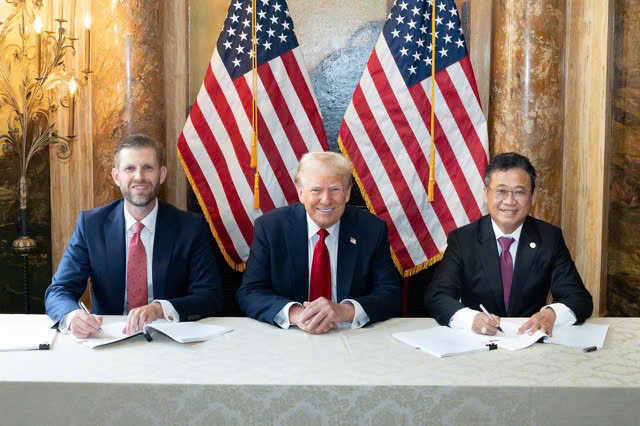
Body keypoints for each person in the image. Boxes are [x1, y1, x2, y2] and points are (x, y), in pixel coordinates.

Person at [45, 134, 223, 338]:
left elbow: (211, 297)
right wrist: (71, 316)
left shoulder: (190, 227)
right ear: (116, 176)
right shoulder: (91, 226)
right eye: (130, 168)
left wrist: (160, 309)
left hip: (167, 340)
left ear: (162, 174)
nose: (139, 176)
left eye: (148, 167)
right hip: (108, 339)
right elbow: (58, 291)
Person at [425, 152, 593, 336]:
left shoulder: (549, 238)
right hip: (478, 342)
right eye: (501, 191)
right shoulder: (463, 240)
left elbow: (579, 299)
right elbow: (437, 296)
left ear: (533, 197)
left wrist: (552, 314)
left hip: (530, 342)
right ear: (485, 193)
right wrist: (471, 319)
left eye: (519, 192)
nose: (509, 201)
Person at [236, 152, 401, 334]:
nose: (326, 199)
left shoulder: (371, 229)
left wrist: (345, 311)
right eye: (316, 190)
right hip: (290, 336)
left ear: (347, 193)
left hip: (350, 335)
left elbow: (390, 293)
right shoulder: (271, 228)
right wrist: (296, 314)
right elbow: (249, 293)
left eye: (335, 189)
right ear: (300, 193)